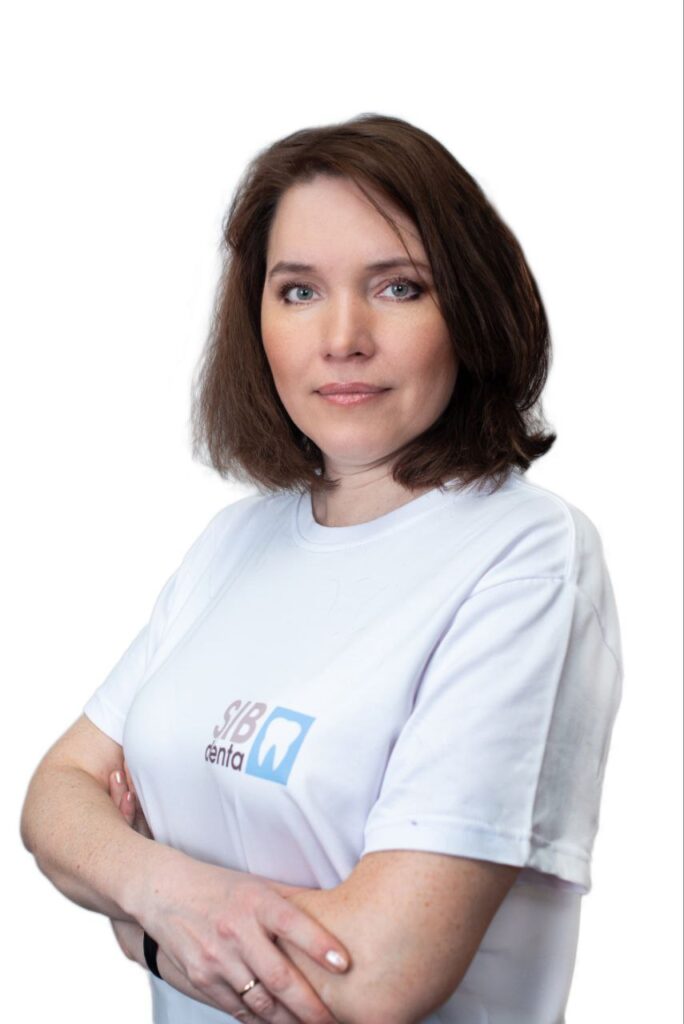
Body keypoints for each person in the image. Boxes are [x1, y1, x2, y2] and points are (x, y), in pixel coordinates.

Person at [20, 112, 623, 1024]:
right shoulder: (235, 543)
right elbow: (53, 797)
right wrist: (165, 892)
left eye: (398, 287)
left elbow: (373, 978)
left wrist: (136, 923)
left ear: (471, 309)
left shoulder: (528, 559)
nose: (343, 337)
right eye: (299, 291)